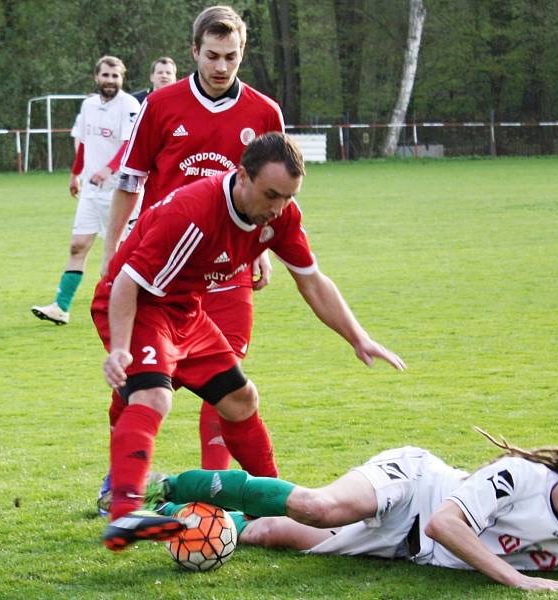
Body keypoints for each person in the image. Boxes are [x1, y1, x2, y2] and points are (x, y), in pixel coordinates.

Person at [94, 133, 406, 551]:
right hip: (137, 303)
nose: (278, 207)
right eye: (271, 194)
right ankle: (126, 512)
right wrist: (120, 349)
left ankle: (273, 507)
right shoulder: (194, 211)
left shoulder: (281, 215)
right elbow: (126, 282)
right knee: (154, 398)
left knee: (241, 400)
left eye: (289, 197)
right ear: (242, 176)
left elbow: (311, 281)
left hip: (186, 311)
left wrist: (358, 337)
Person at [124, 428, 558, 592]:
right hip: (415, 488)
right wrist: (520, 582)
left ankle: (170, 524)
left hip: (400, 547)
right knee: (320, 506)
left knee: (268, 533)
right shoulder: (522, 478)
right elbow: (444, 522)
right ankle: (171, 483)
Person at [99, 6, 286, 481]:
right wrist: (112, 253)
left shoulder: (265, 113)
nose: (222, 67)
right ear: (194, 52)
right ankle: (116, 479)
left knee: (228, 384)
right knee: (137, 384)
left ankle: (215, 491)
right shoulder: (161, 105)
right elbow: (130, 182)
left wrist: (262, 251)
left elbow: (275, 187)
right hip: (163, 271)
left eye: (232, 57)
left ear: (243, 53)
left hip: (229, 271)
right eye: (213, 56)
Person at [32, 56, 140, 325]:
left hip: (120, 192)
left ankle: (132, 307)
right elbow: (83, 144)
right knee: (78, 245)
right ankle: (61, 307)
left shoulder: (129, 105)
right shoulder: (89, 105)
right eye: (106, 75)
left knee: (124, 253)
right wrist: (75, 174)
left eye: (116, 76)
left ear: (122, 79)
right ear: (97, 77)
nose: (110, 81)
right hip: (92, 192)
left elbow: (131, 146)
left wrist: (109, 169)